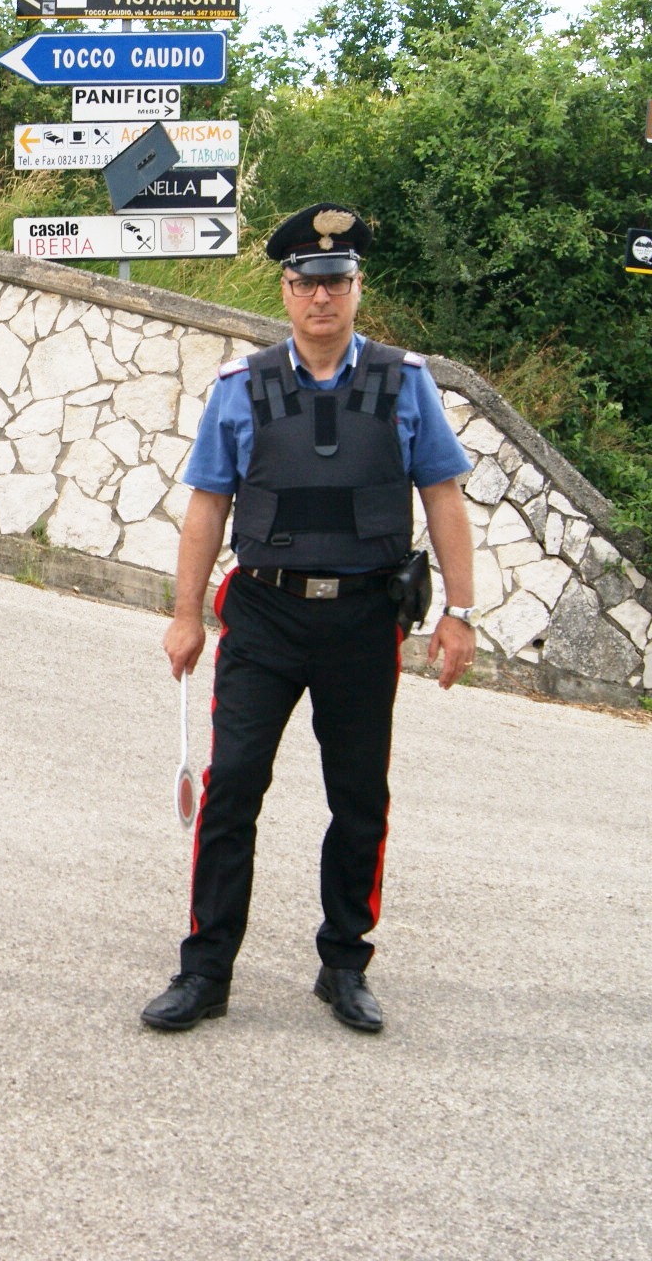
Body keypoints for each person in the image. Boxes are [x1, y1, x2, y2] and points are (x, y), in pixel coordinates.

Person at [141, 203, 479, 1035]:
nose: (321, 297)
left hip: (364, 619)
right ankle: (206, 969)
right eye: (305, 283)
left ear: (357, 287)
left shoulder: (406, 385)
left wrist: (460, 615)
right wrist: (187, 616)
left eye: (336, 281)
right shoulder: (241, 389)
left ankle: (344, 965)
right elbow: (206, 508)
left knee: (358, 797)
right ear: (286, 291)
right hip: (264, 613)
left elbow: (442, 496)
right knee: (232, 793)